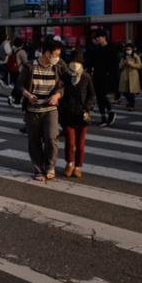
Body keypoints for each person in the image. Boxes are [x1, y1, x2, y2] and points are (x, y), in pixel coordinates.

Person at [18, 38, 64, 182]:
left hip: (50, 108)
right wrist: (28, 95)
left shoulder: (58, 66)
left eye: (58, 55)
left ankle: (50, 166)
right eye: (54, 55)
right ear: (46, 52)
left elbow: (62, 86)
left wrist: (57, 95)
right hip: (33, 109)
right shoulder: (30, 66)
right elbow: (19, 85)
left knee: (51, 138)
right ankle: (38, 169)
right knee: (34, 140)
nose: (57, 58)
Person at [59, 51, 95, 179]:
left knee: (80, 144)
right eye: (72, 62)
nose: (74, 64)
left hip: (82, 116)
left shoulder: (86, 77)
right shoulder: (65, 77)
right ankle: (69, 164)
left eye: (77, 62)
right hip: (67, 115)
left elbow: (91, 95)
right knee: (70, 142)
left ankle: (78, 166)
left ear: (81, 64)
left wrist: (87, 108)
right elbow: (59, 93)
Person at [86, 30, 119, 126]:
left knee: (102, 96)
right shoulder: (97, 49)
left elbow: (114, 65)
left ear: (104, 37)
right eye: (96, 37)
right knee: (99, 97)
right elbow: (91, 62)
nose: (97, 39)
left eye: (99, 37)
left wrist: (113, 78)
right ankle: (104, 117)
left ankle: (110, 112)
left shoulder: (111, 48)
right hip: (97, 76)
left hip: (107, 77)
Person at [118, 43, 142, 111]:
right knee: (125, 91)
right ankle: (130, 102)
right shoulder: (123, 57)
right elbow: (119, 67)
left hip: (133, 76)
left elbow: (140, 65)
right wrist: (124, 63)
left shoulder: (136, 56)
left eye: (129, 49)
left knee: (131, 92)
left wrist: (132, 64)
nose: (128, 51)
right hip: (125, 76)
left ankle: (132, 105)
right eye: (126, 49)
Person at [7, 38, 29, 106]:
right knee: (20, 86)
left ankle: (12, 96)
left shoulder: (12, 51)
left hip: (13, 71)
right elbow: (26, 62)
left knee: (17, 85)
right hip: (20, 71)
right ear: (21, 44)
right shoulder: (22, 51)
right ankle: (17, 101)